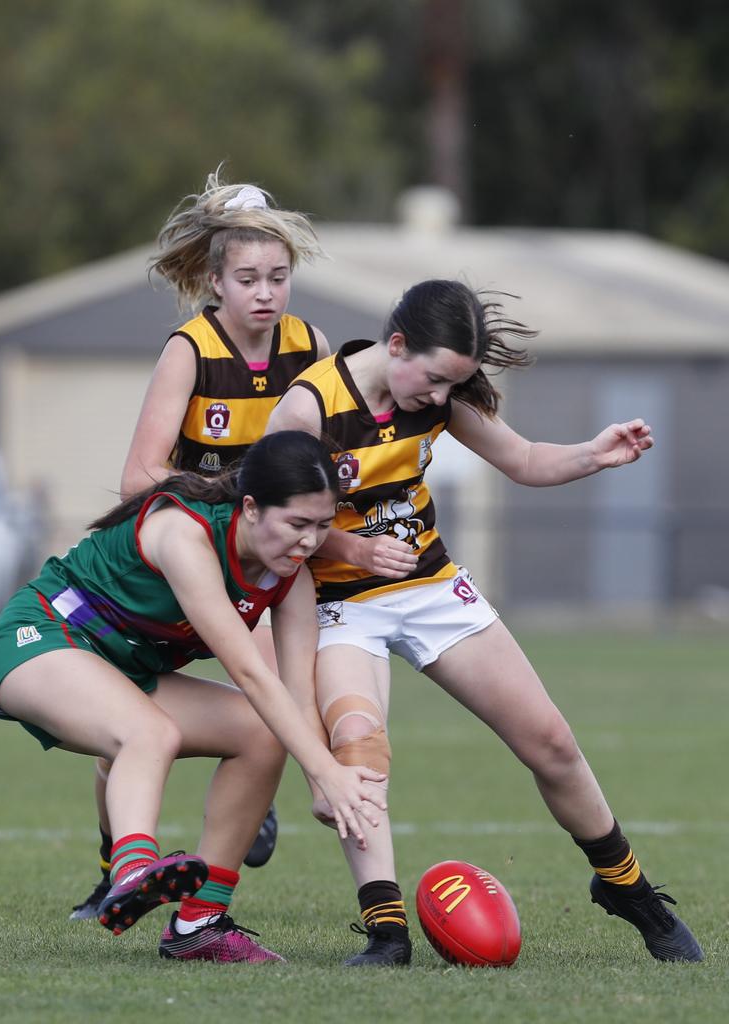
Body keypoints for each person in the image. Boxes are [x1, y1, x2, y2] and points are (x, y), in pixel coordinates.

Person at [265, 279, 704, 967]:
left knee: (551, 740)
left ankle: (627, 887)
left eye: (454, 385)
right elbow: (270, 516)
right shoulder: (309, 406)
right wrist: (350, 547)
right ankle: (386, 930)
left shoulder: (435, 396)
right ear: (398, 344)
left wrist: (595, 452)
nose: (440, 398)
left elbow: (523, 459)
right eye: (437, 379)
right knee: (359, 748)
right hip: (337, 603)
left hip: (431, 586)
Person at [0, 431, 386, 964]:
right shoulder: (184, 533)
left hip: (124, 668)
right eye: (296, 524)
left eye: (322, 525)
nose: (310, 542)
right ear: (250, 507)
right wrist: (330, 773)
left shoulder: (292, 578)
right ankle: (131, 873)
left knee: (264, 734)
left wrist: (322, 783)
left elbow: (295, 694)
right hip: (43, 637)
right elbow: (247, 668)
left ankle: (201, 922)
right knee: (152, 732)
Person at [72, 167, 330, 918]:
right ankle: (111, 861)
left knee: (284, 691)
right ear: (214, 281)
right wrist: (225, 504)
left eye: (278, 276)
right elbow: (140, 477)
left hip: (260, 563)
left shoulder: (307, 346)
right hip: (183, 564)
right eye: (247, 277)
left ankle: (255, 793)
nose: (265, 292)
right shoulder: (191, 349)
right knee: (117, 733)